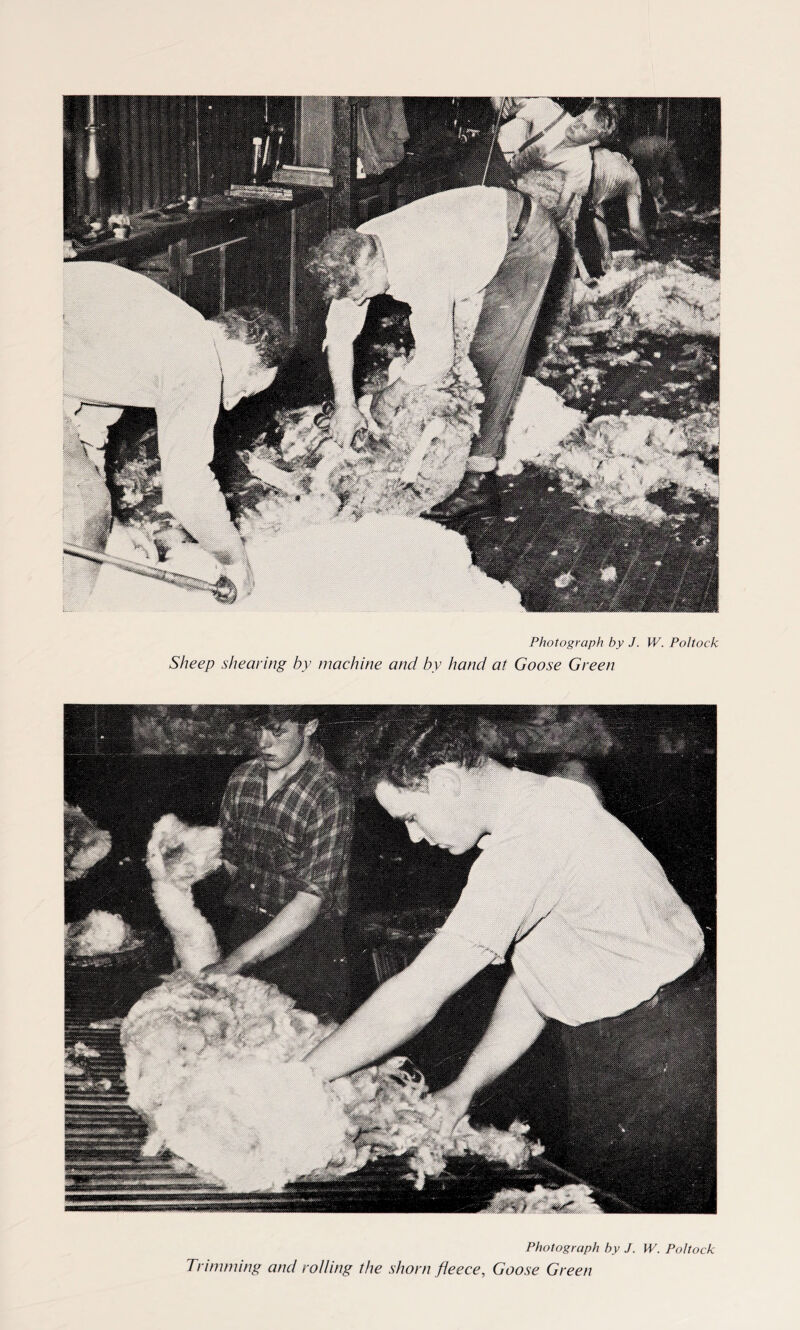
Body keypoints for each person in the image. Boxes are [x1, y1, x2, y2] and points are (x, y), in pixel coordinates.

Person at [304, 709, 715, 1213]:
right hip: (626, 1036)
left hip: (658, 1049)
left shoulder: (529, 845)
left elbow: (417, 996)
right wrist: (463, 1089)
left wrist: (297, 1081)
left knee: (636, 1220)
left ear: (448, 782)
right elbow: (535, 984)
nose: (414, 837)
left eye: (411, 817)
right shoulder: (541, 800)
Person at [305, 185, 559, 522]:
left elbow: (438, 359)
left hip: (524, 238)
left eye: (362, 293)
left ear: (372, 268)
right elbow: (339, 332)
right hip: (483, 225)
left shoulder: (418, 266)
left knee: (489, 358)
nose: (359, 302)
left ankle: (477, 480)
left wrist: (390, 395)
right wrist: (345, 404)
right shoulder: (360, 245)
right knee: (455, 348)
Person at [63, 262, 290, 609]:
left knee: (82, 503)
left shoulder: (164, 335)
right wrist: (234, 560)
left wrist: (111, 530)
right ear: (239, 355)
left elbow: (88, 431)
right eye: (244, 387)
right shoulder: (196, 359)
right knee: (79, 511)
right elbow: (187, 485)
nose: (230, 403)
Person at [203, 707, 355, 1023]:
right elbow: (230, 862)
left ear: (310, 725)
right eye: (257, 730)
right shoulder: (243, 778)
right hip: (245, 930)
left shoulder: (330, 792)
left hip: (309, 949)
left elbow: (308, 903)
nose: (263, 743)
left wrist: (234, 963)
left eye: (277, 731)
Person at [577, 146, 650, 275]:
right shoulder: (630, 171)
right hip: (614, 176)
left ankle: (605, 256)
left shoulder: (602, 151)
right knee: (634, 224)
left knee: (591, 212)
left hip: (587, 170)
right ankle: (645, 250)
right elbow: (634, 226)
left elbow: (597, 211)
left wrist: (606, 250)